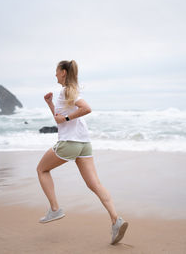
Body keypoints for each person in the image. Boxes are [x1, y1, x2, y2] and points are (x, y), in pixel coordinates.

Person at [36, 60, 128, 245]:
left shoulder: (66, 90)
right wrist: (50, 104)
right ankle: (115, 220)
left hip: (70, 143)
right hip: (84, 143)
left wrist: (68, 116)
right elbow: (60, 119)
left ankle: (55, 209)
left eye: (56, 71)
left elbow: (86, 109)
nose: (54, 75)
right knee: (95, 184)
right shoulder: (69, 91)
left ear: (63, 72)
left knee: (42, 170)